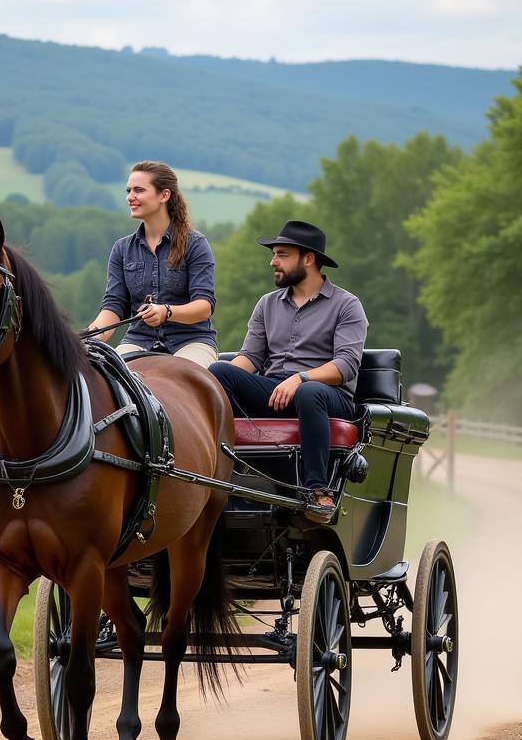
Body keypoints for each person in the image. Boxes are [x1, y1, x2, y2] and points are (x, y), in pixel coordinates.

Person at [209, 220, 368, 524]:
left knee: (309, 393)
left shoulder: (347, 305)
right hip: (274, 390)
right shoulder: (267, 304)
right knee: (218, 373)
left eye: (282, 254)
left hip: (325, 394)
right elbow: (251, 357)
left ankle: (317, 492)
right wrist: (208, 379)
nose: (273, 262)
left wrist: (301, 378)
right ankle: (218, 476)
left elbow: (346, 365)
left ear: (308, 259)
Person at [87, 161, 218, 367]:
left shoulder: (196, 244)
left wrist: (166, 312)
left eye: (139, 190)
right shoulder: (122, 249)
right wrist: (94, 335)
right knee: (105, 379)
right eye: (128, 190)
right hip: (138, 341)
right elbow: (114, 305)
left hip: (191, 341)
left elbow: (204, 307)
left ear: (164, 195)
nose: (130, 197)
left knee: (181, 381)